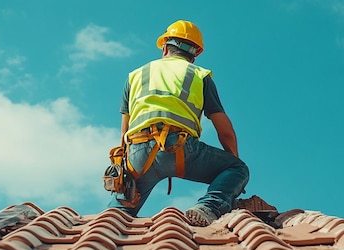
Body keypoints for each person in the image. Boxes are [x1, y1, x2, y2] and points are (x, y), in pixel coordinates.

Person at [107, 20, 249, 226]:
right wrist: (232, 169)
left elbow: (124, 133)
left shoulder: (136, 75)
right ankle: (208, 207)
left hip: (138, 154)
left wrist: (125, 172)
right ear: (195, 54)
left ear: (165, 47)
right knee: (239, 169)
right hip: (180, 149)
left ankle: (103, 234)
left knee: (116, 218)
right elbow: (224, 130)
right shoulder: (199, 76)